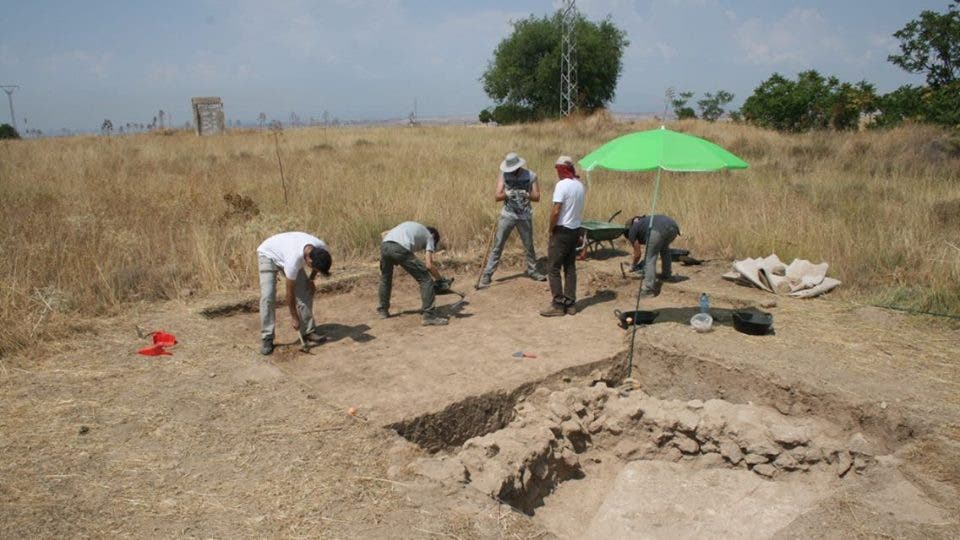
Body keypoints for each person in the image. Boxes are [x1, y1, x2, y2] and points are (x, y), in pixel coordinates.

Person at [477, 152, 547, 288]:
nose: (511, 171)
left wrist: (526, 194)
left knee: (528, 246)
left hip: (524, 215)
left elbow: (537, 197)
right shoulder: (504, 175)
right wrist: (507, 193)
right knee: (497, 245)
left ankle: (533, 271)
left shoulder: (531, 175)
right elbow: (497, 196)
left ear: (519, 166)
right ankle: (487, 274)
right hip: (507, 215)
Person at [257, 232, 333, 355]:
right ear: (308, 259)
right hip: (268, 254)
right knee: (268, 296)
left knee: (305, 291)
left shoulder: (321, 249)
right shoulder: (293, 260)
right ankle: (267, 337)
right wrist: (294, 317)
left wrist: (311, 279)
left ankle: (309, 332)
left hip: (285, 251)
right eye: (312, 267)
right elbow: (289, 292)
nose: (314, 269)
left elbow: (317, 266)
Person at [378, 221, 449, 326]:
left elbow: (384, 234)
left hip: (385, 246)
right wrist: (440, 280)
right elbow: (429, 265)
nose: (425, 249)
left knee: (385, 279)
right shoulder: (429, 236)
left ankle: (383, 310)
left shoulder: (411, 227)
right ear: (434, 237)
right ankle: (429, 316)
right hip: (399, 248)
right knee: (425, 279)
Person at [541, 156, 585, 317]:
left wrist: (550, 229)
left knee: (553, 268)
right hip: (575, 230)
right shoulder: (580, 185)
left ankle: (558, 305)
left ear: (561, 169)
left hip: (561, 230)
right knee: (570, 267)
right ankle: (571, 304)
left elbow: (556, 210)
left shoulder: (561, 185)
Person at [624, 214, 681, 297]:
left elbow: (638, 254)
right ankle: (667, 275)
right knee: (665, 250)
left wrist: (632, 266)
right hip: (673, 227)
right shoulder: (644, 222)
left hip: (657, 230)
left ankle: (648, 289)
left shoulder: (632, 230)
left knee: (650, 258)